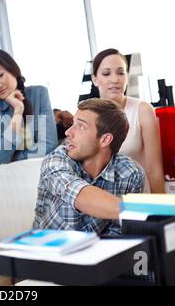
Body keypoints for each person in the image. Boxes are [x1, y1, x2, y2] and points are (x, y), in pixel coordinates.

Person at [33, 98, 145, 235]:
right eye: (73, 123)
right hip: (45, 252)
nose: (68, 132)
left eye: (80, 126)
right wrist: (141, 211)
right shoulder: (55, 160)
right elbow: (79, 195)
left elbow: (117, 235)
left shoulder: (130, 174)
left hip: (96, 253)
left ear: (105, 140)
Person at [92, 48, 164, 193]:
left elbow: (154, 170)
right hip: (104, 205)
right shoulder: (88, 115)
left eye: (120, 73)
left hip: (140, 200)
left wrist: (162, 212)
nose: (114, 79)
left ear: (127, 76)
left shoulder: (142, 110)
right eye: (106, 73)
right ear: (95, 79)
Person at [0, 49, 58, 164]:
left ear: (13, 70)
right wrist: (18, 112)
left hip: (43, 169)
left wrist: (15, 159)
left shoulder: (40, 93)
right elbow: (3, 156)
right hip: (10, 176)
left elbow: (50, 146)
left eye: (0, 75)